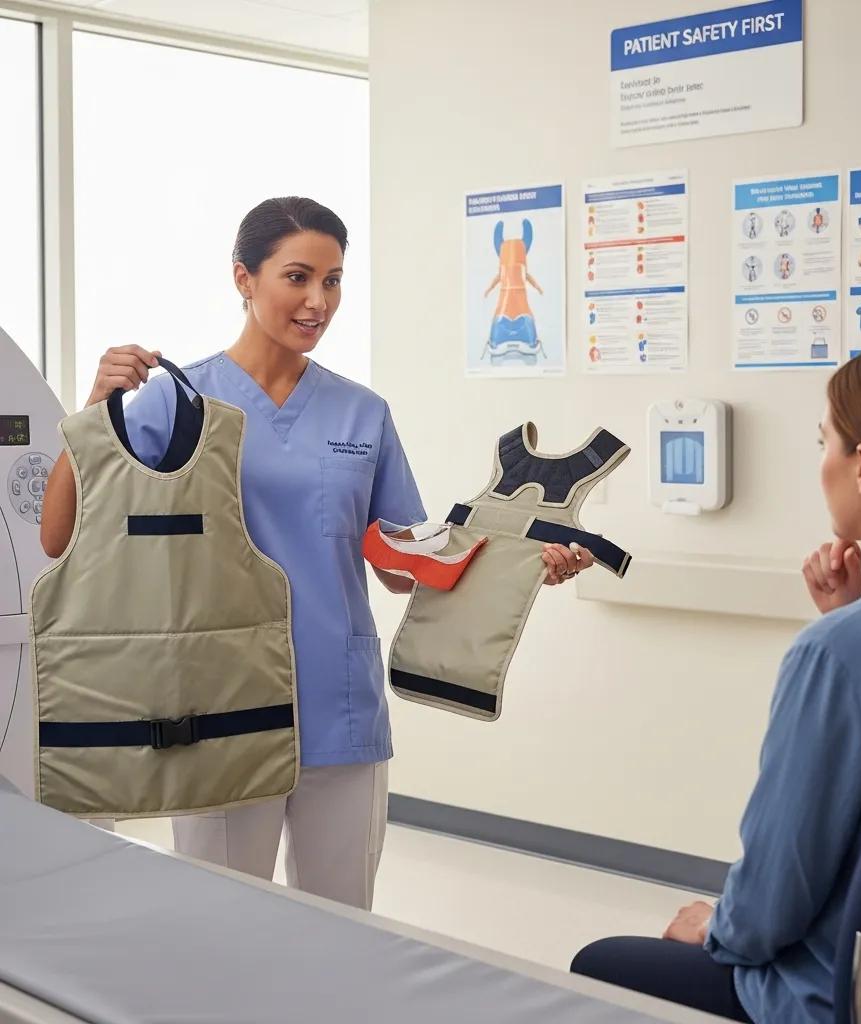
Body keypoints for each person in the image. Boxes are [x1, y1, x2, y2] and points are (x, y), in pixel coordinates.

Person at [39, 196, 593, 909]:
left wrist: (524, 565)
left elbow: (401, 564)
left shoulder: (363, 412)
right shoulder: (180, 400)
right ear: (244, 278)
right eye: (297, 277)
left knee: (345, 926)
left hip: (339, 706)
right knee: (223, 925)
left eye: (333, 281)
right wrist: (94, 407)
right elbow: (61, 535)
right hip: (221, 709)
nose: (318, 301)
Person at [572, 344, 861, 1023]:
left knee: (599, 965)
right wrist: (851, 616)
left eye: (825, 444)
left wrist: (717, 926)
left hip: (832, 1001)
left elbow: (772, 903)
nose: (822, 465)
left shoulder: (838, 658)